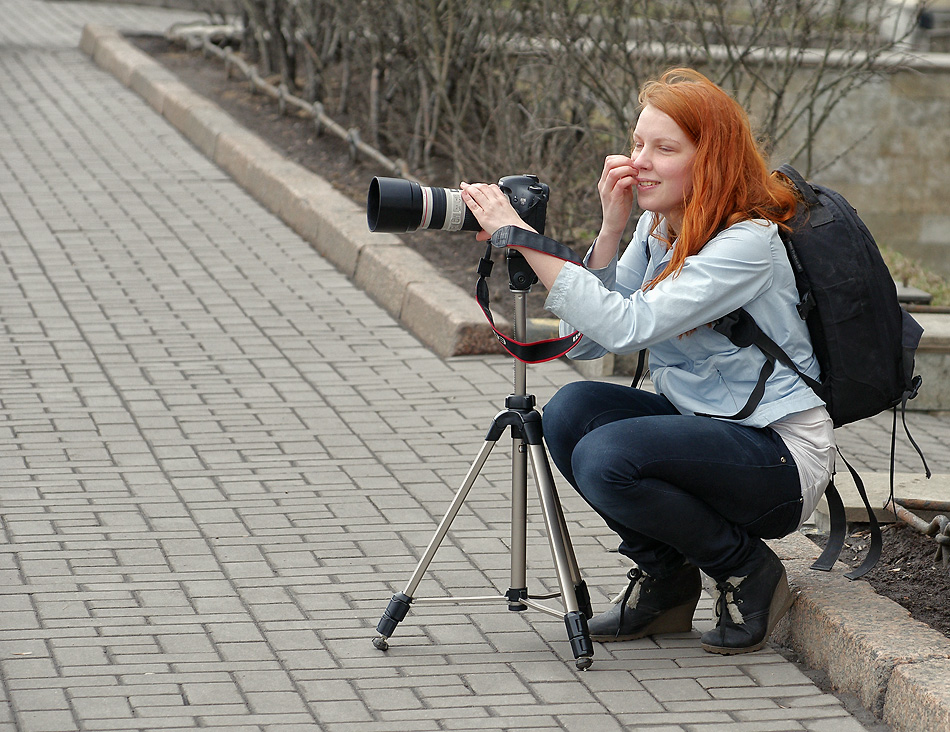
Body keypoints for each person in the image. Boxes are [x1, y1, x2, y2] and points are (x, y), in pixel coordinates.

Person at [458, 67, 835, 655]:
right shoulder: (659, 229)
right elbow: (586, 343)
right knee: (568, 412)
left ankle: (750, 572)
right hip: (706, 435)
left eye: (665, 148)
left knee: (608, 455)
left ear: (710, 160)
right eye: (638, 144)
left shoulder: (748, 244)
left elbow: (627, 324)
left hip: (779, 458)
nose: (641, 161)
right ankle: (667, 585)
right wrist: (610, 230)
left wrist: (520, 236)